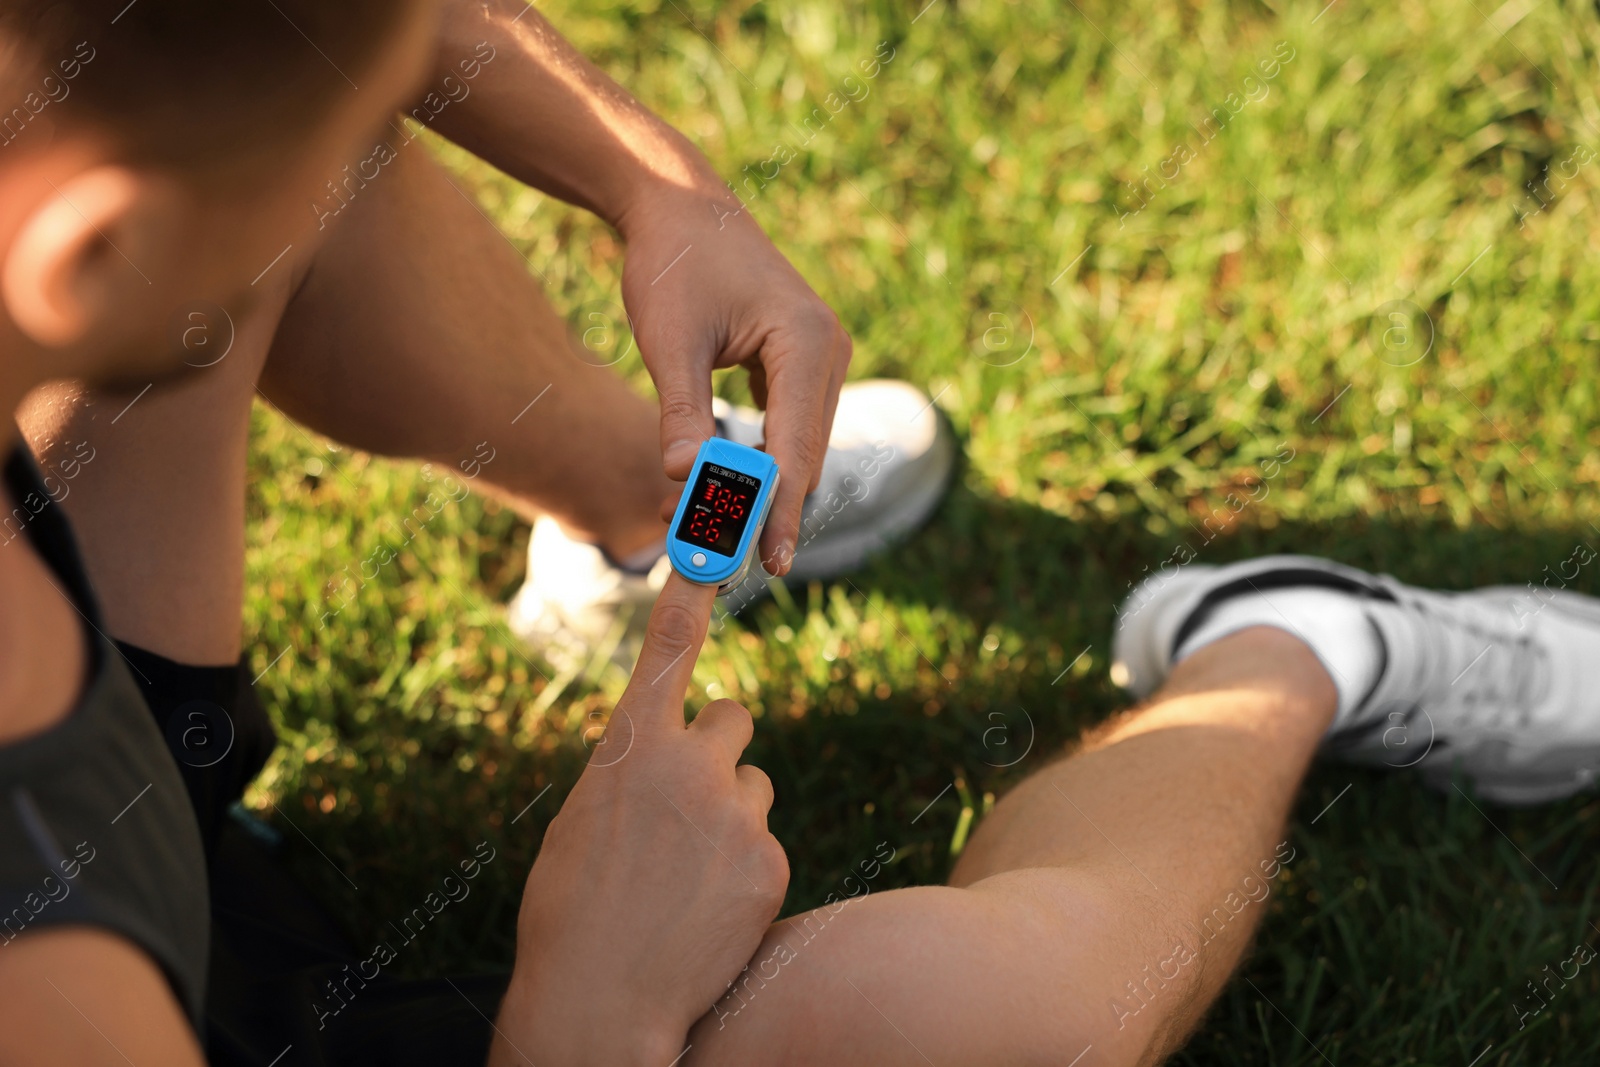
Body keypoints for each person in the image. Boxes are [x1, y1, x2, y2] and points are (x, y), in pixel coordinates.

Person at [6, 5, 1598, 1067]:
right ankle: (1290, 645)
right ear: (92, 255)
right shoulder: (50, 973)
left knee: (275, 149)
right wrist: (593, 1005)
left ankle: (654, 509)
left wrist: (662, 193)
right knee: (931, 1020)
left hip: (113, 798)